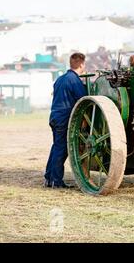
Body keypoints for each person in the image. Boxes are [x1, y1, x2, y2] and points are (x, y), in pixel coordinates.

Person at [44, 53, 87, 188]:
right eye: (84, 64)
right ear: (81, 64)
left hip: (54, 116)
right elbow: (83, 100)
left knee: (56, 146)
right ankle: (56, 181)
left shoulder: (60, 79)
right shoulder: (74, 80)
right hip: (64, 118)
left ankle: (49, 177)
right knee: (62, 149)